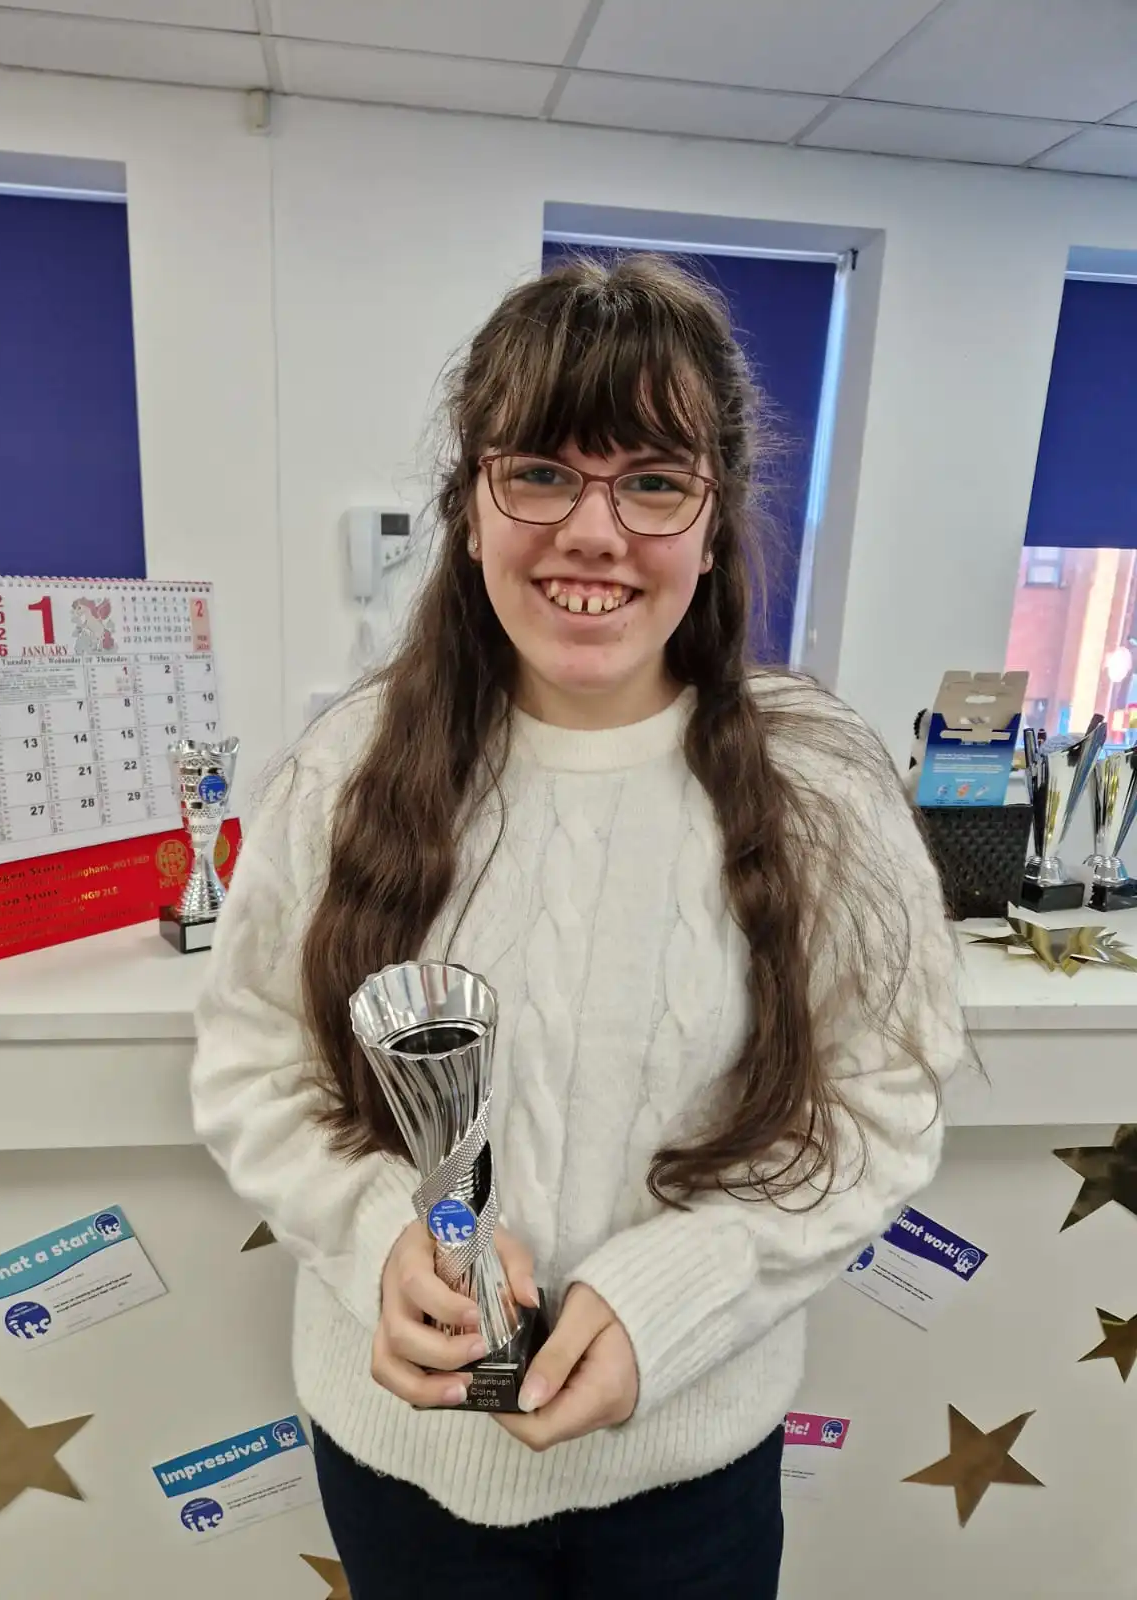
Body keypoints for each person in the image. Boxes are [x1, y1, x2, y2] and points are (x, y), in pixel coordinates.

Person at [191, 254, 969, 1598]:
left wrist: (675, 1293)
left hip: (688, 1475)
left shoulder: (823, 787)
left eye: (654, 481)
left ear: (713, 522)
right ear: (472, 506)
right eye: (541, 472)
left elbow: (879, 1106)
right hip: (402, 1469)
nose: (595, 532)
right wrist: (381, 1236)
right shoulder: (346, 768)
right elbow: (253, 1061)